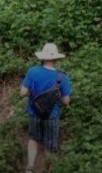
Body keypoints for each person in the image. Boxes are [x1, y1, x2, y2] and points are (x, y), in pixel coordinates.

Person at [20, 42, 72, 172]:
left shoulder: (32, 71)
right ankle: (47, 169)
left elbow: (22, 93)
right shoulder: (62, 77)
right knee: (50, 145)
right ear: (56, 59)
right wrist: (57, 95)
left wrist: (32, 92)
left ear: (42, 57)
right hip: (52, 115)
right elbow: (66, 101)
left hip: (34, 112)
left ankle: (30, 167)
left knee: (33, 138)